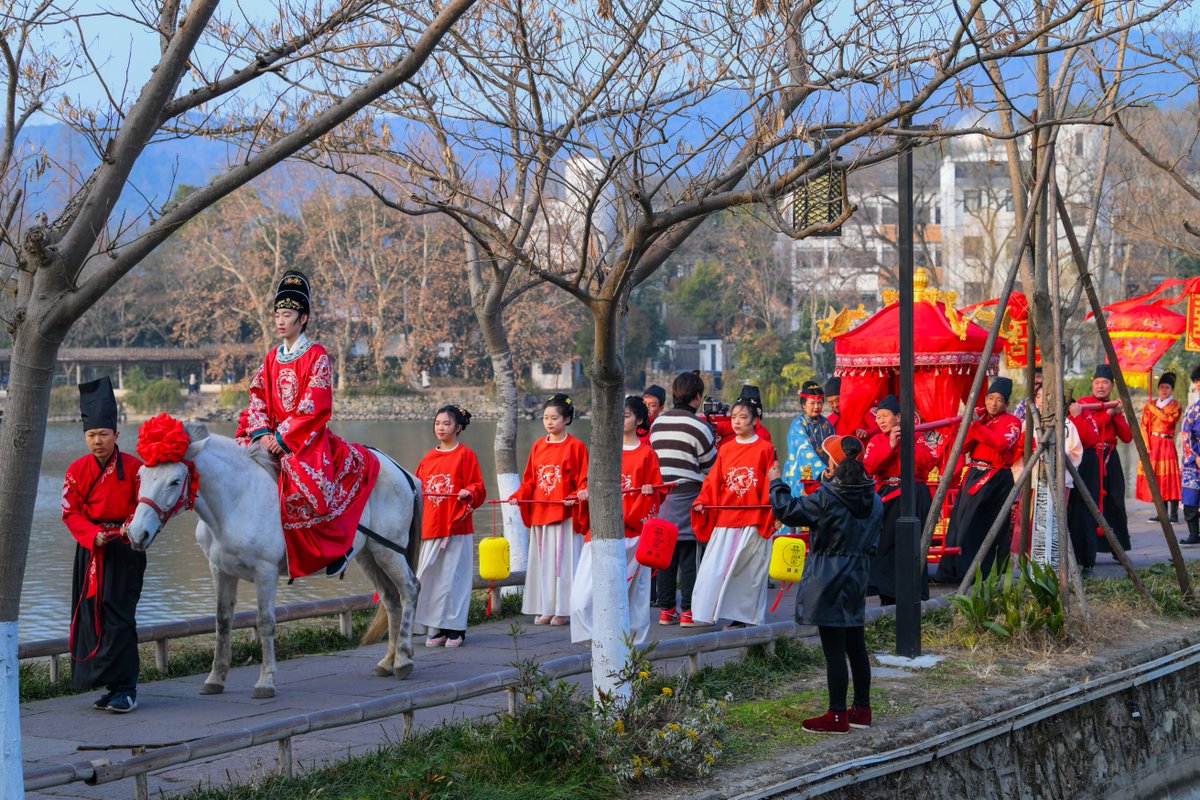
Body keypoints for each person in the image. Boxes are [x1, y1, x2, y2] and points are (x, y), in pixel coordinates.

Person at [244, 270, 379, 579]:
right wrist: (263, 434)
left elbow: (315, 405)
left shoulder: (317, 355)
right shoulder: (271, 358)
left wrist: (283, 437)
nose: (280, 321)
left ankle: (335, 548)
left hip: (307, 439)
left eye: (287, 315)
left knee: (312, 484)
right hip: (272, 436)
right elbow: (257, 396)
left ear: (302, 318)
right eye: (277, 315)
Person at [768, 435, 883, 735]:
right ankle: (862, 710)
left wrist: (776, 482)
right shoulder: (874, 498)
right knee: (856, 646)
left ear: (833, 464)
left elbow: (787, 510)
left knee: (834, 650)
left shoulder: (827, 497)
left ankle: (836, 715)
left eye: (827, 460)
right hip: (857, 575)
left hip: (828, 576)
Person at [62, 377, 145, 713]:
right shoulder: (76, 470)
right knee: (91, 614)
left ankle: (127, 688)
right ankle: (111, 686)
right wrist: (90, 534)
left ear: (116, 434)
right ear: (85, 437)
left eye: (103, 434)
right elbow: (70, 512)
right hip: (90, 550)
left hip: (125, 548)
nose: (97, 441)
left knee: (119, 615)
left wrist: (128, 529)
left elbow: (147, 508)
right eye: (91, 435)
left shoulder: (136, 468)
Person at [571, 396, 664, 646]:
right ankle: (600, 641)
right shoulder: (602, 450)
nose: (619, 420)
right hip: (601, 531)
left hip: (633, 535)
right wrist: (583, 494)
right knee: (581, 598)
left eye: (625, 415)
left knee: (635, 595)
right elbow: (587, 483)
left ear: (639, 420)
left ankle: (634, 647)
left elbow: (658, 492)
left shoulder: (647, 454)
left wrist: (650, 492)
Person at [690, 394, 777, 628]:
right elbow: (713, 480)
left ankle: (745, 619)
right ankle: (711, 611)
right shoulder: (726, 449)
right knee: (715, 569)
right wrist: (702, 500)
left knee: (749, 572)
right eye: (734, 417)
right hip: (727, 517)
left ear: (755, 420)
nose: (737, 421)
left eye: (743, 417)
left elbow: (771, 483)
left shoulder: (766, 449)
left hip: (754, 517)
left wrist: (771, 513)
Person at [510, 393, 589, 625]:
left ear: (566, 419)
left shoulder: (576, 447)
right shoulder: (537, 446)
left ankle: (564, 609)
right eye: (546, 418)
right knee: (544, 564)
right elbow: (529, 481)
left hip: (564, 514)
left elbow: (584, 482)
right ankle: (546, 607)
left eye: (554, 418)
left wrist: (576, 496)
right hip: (541, 513)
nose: (549, 422)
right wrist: (518, 496)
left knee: (564, 563)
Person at [933, 377, 1022, 583]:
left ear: (1006, 403)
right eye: (990, 398)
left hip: (996, 478)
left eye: (999, 399)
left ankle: (979, 572)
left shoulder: (1013, 422)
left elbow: (1001, 444)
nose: (993, 403)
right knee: (960, 521)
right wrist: (971, 425)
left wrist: (977, 426)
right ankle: (953, 570)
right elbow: (964, 447)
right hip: (974, 474)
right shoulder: (982, 420)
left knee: (984, 525)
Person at [414, 405, 487, 648]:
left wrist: (469, 492)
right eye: (437, 423)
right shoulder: (428, 457)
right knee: (430, 579)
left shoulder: (466, 455)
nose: (441, 427)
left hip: (456, 527)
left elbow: (478, 487)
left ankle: (455, 629)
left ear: (458, 427)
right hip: (430, 527)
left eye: (446, 423)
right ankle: (434, 628)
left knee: (453, 579)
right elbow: (417, 489)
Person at [650, 370, 717, 627]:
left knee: (666, 556)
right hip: (689, 496)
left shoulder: (657, 424)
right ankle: (689, 611)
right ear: (697, 396)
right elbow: (711, 467)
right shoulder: (699, 426)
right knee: (689, 557)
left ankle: (667, 610)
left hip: (662, 498)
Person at [861, 395, 934, 605]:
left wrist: (905, 442)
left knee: (914, 545)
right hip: (888, 494)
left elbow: (928, 462)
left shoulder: (916, 436)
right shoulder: (876, 440)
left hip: (914, 492)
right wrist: (890, 445)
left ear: (899, 417)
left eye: (885, 416)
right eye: (878, 417)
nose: (880, 421)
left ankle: (916, 594)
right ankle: (888, 593)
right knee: (884, 544)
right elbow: (869, 467)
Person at [1020, 384, 1095, 568]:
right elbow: (1020, 452)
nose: (1043, 401)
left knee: (1054, 521)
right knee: (1029, 523)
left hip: (1058, 481)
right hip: (1033, 481)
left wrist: (1053, 455)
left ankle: (1055, 563)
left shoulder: (1067, 425)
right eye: (1039, 396)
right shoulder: (1028, 424)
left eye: (1048, 397)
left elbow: (1075, 453)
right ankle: (1028, 563)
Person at [1074, 363, 1134, 554]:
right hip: (1090, 457)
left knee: (1115, 500)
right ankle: (1088, 550)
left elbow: (1127, 437)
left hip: (1110, 457)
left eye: (1105, 382)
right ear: (1092, 384)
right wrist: (1108, 414)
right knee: (1088, 500)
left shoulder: (1114, 406)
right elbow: (1091, 427)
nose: (1100, 386)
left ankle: (1118, 548)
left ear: (1112, 385)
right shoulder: (1084, 403)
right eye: (1097, 382)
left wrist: (1117, 414)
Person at [1136, 372, 1182, 523]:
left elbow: (1169, 420)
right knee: (1156, 478)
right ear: (1157, 388)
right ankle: (1161, 513)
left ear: (1172, 389)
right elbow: (1144, 426)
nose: (1164, 390)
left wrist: (1153, 408)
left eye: (1167, 387)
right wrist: (1146, 446)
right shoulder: (1150, 405)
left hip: (1166, 443)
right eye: (1161, 387)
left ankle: (1174, 514)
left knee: (1170, 477)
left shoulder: (1175, 405)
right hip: (1153, 444)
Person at [782, 380, 835, 496]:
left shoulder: (826, 424)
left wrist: (831, 466)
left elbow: (832, 446)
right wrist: (821, 469)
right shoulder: (797, 425)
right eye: (812, 403)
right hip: (803, 473)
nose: (816, 406)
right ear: (803, 405)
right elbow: (804, 449)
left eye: (819, 403)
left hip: (824, 473)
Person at [1180, 366, 1200, 545]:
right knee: (1191, 496)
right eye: (1197, 381)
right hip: (1194, 459)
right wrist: (1196, 457)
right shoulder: (1192, 410)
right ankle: (1194, 534)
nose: (1198, 384)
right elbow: (1186, 436)